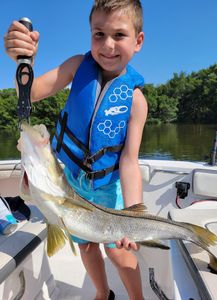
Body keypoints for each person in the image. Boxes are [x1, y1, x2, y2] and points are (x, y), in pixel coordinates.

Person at [4, 0, 148, 299]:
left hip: (108, 190)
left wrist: (132, 217)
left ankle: (137, 297)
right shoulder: (76, 66)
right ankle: (101, 292)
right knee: (85, 244)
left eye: (119, 35)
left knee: (118, 253)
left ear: (138, 41)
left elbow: (130, 162)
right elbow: (27, 95)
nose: (107, 45)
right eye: (98, 34)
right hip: (68, 184)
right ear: (90, 35)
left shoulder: (136, 101)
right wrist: (23, 61)